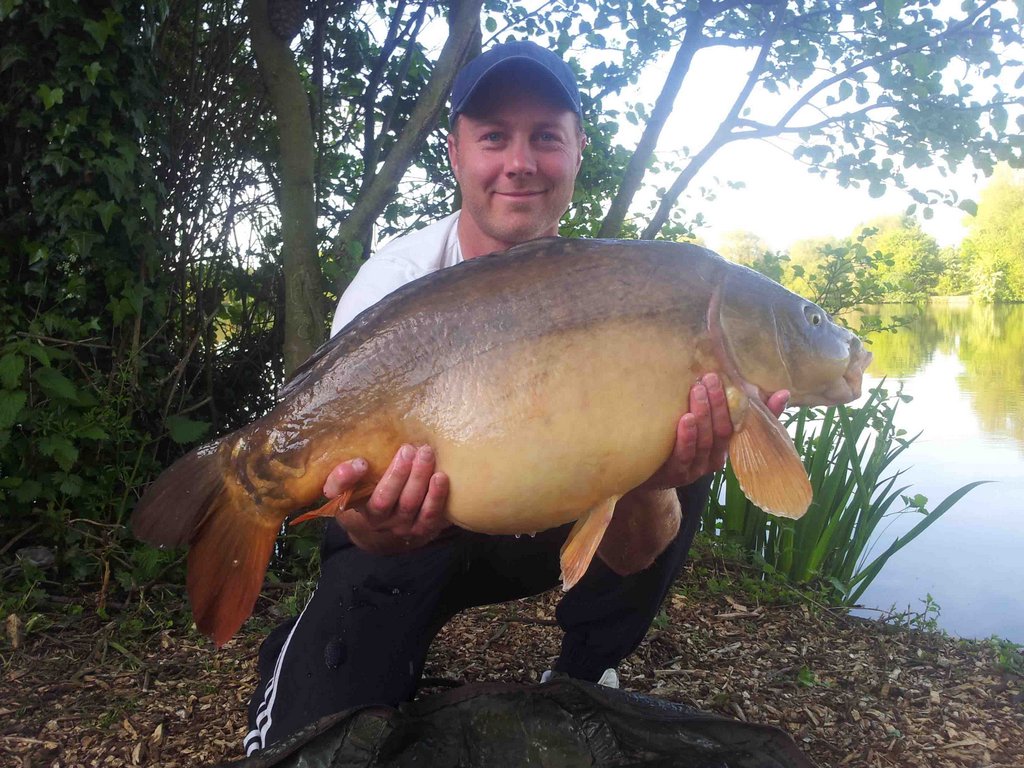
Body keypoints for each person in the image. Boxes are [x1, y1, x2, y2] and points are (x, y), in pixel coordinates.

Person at [244, 40, 788, 755]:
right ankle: (340, 648)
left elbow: (637, 547)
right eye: (495, 136)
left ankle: (585, 668)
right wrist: (380, 525)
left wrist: (654, 477)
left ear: (578, 149)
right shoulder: (395, 282)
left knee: (686, 447)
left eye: (546, 138)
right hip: (413, 524)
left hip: (542, 512)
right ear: (455, 153)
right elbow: (357, 515)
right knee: (323, 728)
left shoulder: (615, 286)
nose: (520, 162)